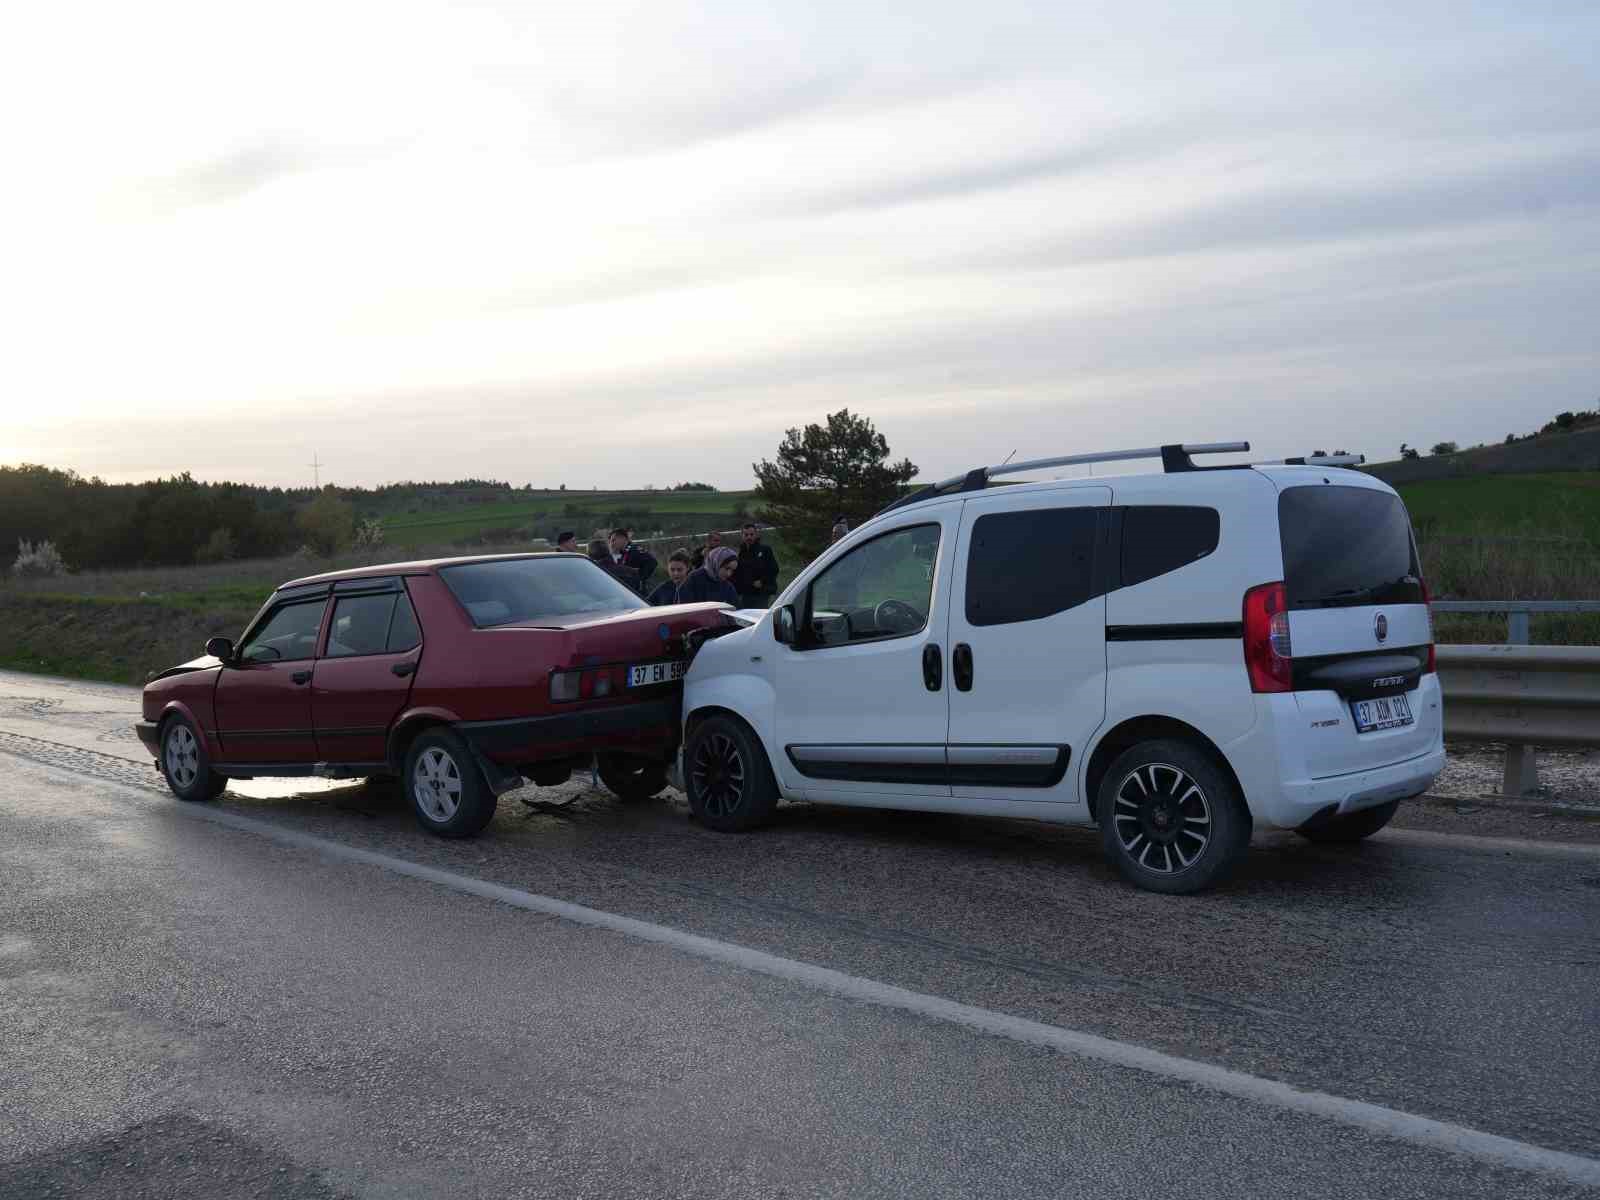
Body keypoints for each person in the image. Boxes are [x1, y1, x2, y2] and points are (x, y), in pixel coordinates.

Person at [732, 522, 780, 608]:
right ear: (742, 535)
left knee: (759, 615)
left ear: (756, 534)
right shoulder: (740, 552)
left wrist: (762, 581)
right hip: (746, 592)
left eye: (751, 534)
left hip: (761, 592)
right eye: (746, 535)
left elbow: (774, 569)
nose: (749, 537)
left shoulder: (765, 550)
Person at [608, 527, 656, 595]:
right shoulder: (623, 552)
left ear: (623, 538)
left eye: (613, 540)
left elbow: (652, 562)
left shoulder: (634, 550)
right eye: (610, 541)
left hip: (638, 592)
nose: (611, 544)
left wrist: (640, 578)